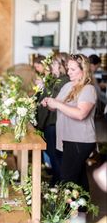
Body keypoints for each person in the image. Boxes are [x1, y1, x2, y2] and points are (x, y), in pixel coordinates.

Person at [41, 54, 97, 191]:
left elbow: (80, 114)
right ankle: (81, 212)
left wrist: (57, 104)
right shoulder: (68, 86)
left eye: (72, 69)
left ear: (83, 70)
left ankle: (67, 211)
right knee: (78, 177)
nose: (68, 72)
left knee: (67, 179)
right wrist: (48, 103)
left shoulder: (88, 89)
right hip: (67, 138)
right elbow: (55, 106)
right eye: (68, 69)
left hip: (80, 140)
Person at [37, 53, 69, 184]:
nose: (52, 66)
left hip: (54, 122)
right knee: (52, 153)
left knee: (55, 154)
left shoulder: (64, 81)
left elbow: (53, 99)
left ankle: (59, 183)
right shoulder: (57, 80)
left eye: (55, 63)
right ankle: (57, 180)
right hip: (50, 122)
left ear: (62, 65)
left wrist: (44, 87)